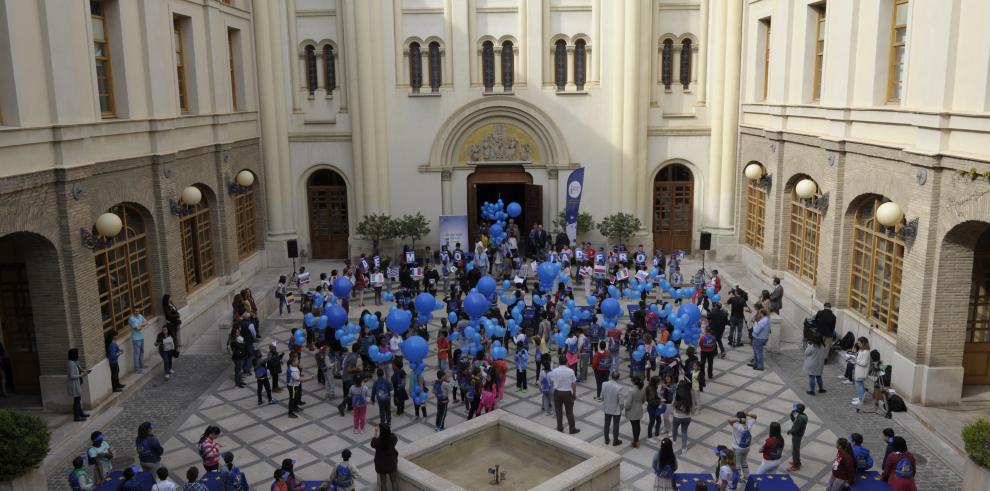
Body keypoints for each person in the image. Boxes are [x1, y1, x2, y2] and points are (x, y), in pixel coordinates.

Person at [549, 355, 580, 434]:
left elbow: (552, 381)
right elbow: (574, 384)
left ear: (559, 362)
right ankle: (572, 428)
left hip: (557, 393)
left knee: (558, 412)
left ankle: (560, 428)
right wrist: (574, 394)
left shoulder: (555, 371)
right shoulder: (571, 371)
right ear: (566, 362)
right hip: (567, 393)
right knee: (569, 412)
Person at [728, 411, 757, 479]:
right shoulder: (749, 423)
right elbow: (755, 416)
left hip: (737, 448)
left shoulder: (737, 425)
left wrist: (739, 419)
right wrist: (747, 414)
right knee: (744, 462)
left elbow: (729, 420)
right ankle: (746, 476)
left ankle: (737, 478)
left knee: (737, 464)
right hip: (746, 447)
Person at [371, 423, 399, 491]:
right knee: (394, 481)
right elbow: (395, 436)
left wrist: (375, 432)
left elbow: (372, 443)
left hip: (381, 463)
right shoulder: (393, 438)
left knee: (383, 482)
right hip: (391, 462)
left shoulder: (377, 441)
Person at [600, 370, 625, 446]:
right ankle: (615, 440)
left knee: (606, 423)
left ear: (611, 376)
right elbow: (621, 402)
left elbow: (602, 396)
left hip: (607, 408)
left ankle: (606, 439)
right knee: (616, 425)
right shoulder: (619, 388)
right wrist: (621, 408)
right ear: (618, 378)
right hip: (616, 410)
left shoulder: (604, 384)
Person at [67, 348, 90, 421]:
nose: (79, 355)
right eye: (77, 354)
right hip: (74, 384)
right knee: (76, 400)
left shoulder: (74, 362)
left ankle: (80, 413)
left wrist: (85, 371)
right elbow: (71, 376)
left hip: (77, 383)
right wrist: (82, 375)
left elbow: (79, 369)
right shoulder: (70, 364)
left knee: (78, 399)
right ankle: (76, 416)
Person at [671, 380, 693, 454]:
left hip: (677, 416)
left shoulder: (676, 393)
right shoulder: (689, 394)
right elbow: (691, 405)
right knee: (684, 431)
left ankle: (674, 440)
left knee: (675, 428)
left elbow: (673, 404)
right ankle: (684, 448)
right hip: (687, 417)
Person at [625, 376, 646, 447]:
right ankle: (637, 439)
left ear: (633, 382)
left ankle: (636, 441)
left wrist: (626, 408)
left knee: (634, 425)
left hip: (632, 410)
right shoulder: (642, 389)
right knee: (637, 424)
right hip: (639, 409)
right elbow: (644, 400)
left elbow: (628, 403)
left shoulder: (631, 390)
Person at [786, 404, 807, 472]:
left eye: (796, 408)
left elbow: (795, 429)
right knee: (796, 450)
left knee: (795, 451)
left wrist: (790, 431)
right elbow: (795, 422)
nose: (795, 409)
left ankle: (796, 465)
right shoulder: (803, 415)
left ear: (798, 410)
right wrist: (792, 414)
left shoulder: (800, 418)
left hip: (797, 436)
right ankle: (797, 462)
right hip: (799, 435)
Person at [852, 337, 871, 406]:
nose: (858, 344)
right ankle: (860, 397)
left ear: (863, 343)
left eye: (859, 343)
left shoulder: (866, 352)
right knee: (860, 384)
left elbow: (864, 363)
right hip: (859, 370)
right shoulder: (861, 350)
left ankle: (860, 400)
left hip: (862, 372)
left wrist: (856, 360)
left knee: (859, 385)